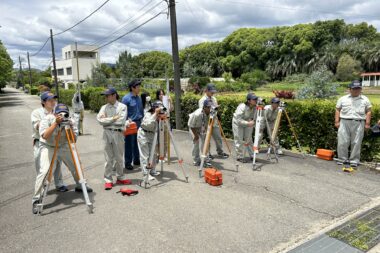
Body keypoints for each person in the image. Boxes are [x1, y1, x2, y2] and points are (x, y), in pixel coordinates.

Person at [32, 103, 93, 214]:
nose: (62, 115)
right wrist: (55, 123)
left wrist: (69, 126)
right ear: (54, 113)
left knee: (76, 166)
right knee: (45, 171)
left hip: (64, 145)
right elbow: (45, 136)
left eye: (65, 114)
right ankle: (37, 199)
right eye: (59, 113)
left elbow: (73, 140)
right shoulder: (47, 119)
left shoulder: (71, 121)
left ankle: (80, 185)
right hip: (48, 146)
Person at [31, 91, 67, 192]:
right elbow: (37, 127)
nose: (53, 102)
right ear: (43, 102)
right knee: (42, 168)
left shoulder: (57, 111)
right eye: (50, 100)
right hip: (40, 142)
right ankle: (41, 188)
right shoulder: (36, 112)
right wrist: (50, 122)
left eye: (54, 100)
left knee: (58, 164)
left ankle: (59, 183)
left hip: (55, 141)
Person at [97, 88, 132, 190]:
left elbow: (120, 121)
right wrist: (112, 118)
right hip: (107, 132)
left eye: (107, 95)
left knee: (119, 157)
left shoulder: (122, 106)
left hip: (118, 133)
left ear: (114, 95)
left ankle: (120, 177)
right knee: (108, 158)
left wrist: (106, 119)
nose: (106, 97)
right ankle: (108, 179)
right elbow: (99, 120)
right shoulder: (104, 107)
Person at [335, 80, 372, 167]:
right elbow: (337, 109)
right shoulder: (342, 99)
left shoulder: (365, 99)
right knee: (342, 141)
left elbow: (369, 111)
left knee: (356, 142)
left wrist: (367, 123)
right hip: (344, 122)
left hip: (359, 122)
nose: (356, 90)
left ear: (360, 89)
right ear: (350, 89)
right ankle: (342, 159)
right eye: (354, 88)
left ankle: (354, 161)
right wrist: (337, 121)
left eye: (358, 88)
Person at [198, 83, 229, 159]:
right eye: (211, 91)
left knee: (218, 137)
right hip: (206, 122)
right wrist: (212, 109)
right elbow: (203, 111)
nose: (213, 93)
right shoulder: (202, 100)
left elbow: (215, 109)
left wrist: (216, 109)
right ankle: (208, 154)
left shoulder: (214, 98)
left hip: (214, 121)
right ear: (207, 91)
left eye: (213, 91)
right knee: (206, 139)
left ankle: (220, 152)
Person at [137, 101, 162, 181]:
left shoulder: (159, 116)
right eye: (158, 108)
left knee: (153, 154)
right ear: (154, 108)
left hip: (152, 135)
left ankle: (152, 170)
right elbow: (148, 123)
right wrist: (155, 114)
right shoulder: (147, 114)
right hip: (143, 134)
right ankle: (146, 174)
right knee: (145, 155)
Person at [122, 79, 144, 170]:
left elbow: (141, 110)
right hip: (130, 124)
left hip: (139, 122)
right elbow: (122, 112)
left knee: (137, 142)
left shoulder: (138, 97)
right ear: (132, 88)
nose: (139, 88)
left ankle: (136, 159)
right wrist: (126, 121)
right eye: (137, 87)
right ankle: (128, 162)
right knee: (129, 143)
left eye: (139, 86)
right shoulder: (126, 98)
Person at [232, 93, 257, 162]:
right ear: (249, 101)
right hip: (238, 123)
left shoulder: (255, 107)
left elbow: (255, 117)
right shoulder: (242, 107)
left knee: (249, 139)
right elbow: (238, 119)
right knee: (239, 139)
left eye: (256, 99)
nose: (256, 100)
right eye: (254, 99)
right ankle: (239, 156)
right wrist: (248, 123)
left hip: (247, 122)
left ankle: (252, 155)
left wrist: (251, 121)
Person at [188, 100, 213, 166]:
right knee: (196, 142)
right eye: (208, 107)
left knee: (205, 143)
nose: (210, 109)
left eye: (211, 107)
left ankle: (205, 159)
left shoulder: (211, 113)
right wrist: (196, 135)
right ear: (204, 107)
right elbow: (191, 125)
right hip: (193, 127)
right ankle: (196, 160)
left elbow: (210, 123)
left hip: (202, 127)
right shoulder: (197, 114)